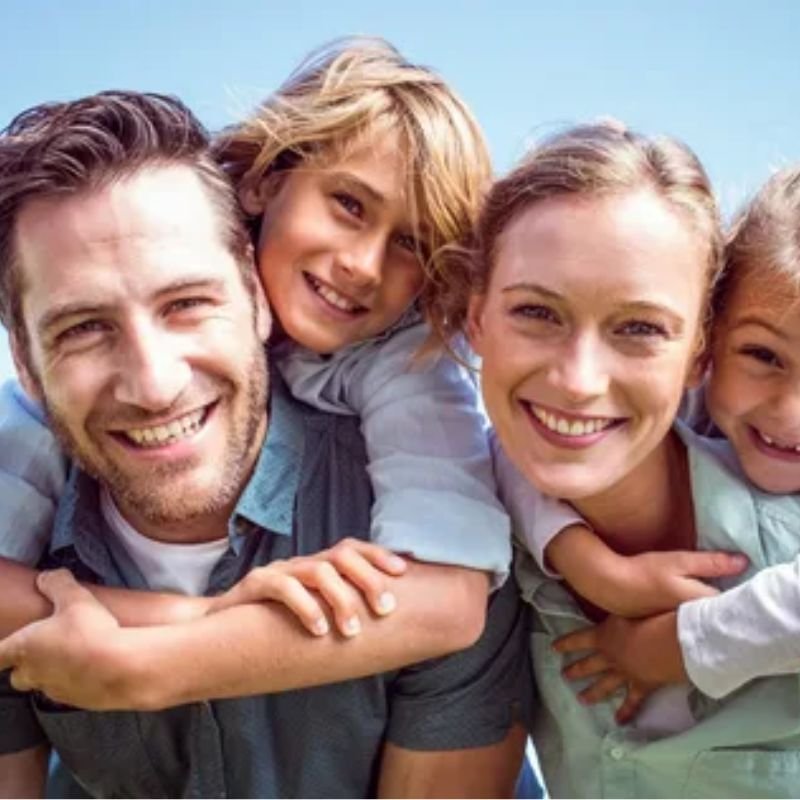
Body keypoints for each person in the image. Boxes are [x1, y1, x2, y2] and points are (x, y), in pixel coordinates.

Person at [0, 90, 527, 798]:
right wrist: (202, 620)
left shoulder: (420, 513)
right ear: (27, 366)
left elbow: (451, 605)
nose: (154, 385)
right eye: (83, 328)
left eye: (186, 303)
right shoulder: (26, 464)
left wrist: (151, 665)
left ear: (251, 292)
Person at [452, 121, 800, 797]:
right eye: (536, 312)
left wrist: (682, 643)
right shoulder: (477, 527)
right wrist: (585, 560)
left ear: (699, 352)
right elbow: (483, 449)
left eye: (639, 328)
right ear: (475, 322)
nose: (579, 380)